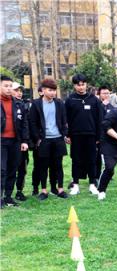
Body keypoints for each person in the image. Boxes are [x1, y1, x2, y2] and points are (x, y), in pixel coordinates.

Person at [28, 78, 69, 200]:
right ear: (43, 90)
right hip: (44, 139)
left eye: (54, 90)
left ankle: (60, 189)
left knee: (58, 165)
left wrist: (64, 134)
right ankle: (44, 190)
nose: (53, 93)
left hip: (58, 139)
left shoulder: (59, 103)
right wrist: (38, 138)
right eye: (50, 90)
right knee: (43, 166)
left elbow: (64, 120)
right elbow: (33, 123)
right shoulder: (36, 104)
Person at [65, 74, 103, 196]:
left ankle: (92, 184)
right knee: (76, 160)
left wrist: (98, 137)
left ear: (86, 84)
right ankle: (75, 184)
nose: (81, 87)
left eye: (83, 84)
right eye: (78, 85)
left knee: (92, 160)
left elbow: (99, 119)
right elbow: (66, 119)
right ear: (74, 86)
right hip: (75, 135)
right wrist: (67, 134)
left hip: (91, 135)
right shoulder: (70, 100)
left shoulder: (94, 100)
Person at [1, 75, 29, 208]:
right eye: (5, 86)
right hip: (1, 141)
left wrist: (24, 141)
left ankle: (8, 196)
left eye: (9, 86)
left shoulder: (18, 103)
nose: (8, 89)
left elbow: (24, 124)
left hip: (15, 141)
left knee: (13, 169)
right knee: (2, 169)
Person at [12, 82, 30, 201]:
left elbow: (25, 125)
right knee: (8, 169)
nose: (19, 93)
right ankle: (5, 193)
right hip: (7, 143)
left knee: (22, 168)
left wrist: (25, 140)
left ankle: (19, 191)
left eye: (21, 90)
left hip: (21, 142)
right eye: (16, 90)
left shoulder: (23, 105)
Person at [97, 86, 116, 181]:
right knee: (98, 157)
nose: (106, 95)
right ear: (99, 94)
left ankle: (109, 174)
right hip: (98, 136)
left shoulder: (112, 107)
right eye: (104, 93)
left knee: (108, 156)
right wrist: (102, 106)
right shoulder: (97, 105)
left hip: (109, 137)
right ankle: (96, 175)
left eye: (108, 93)